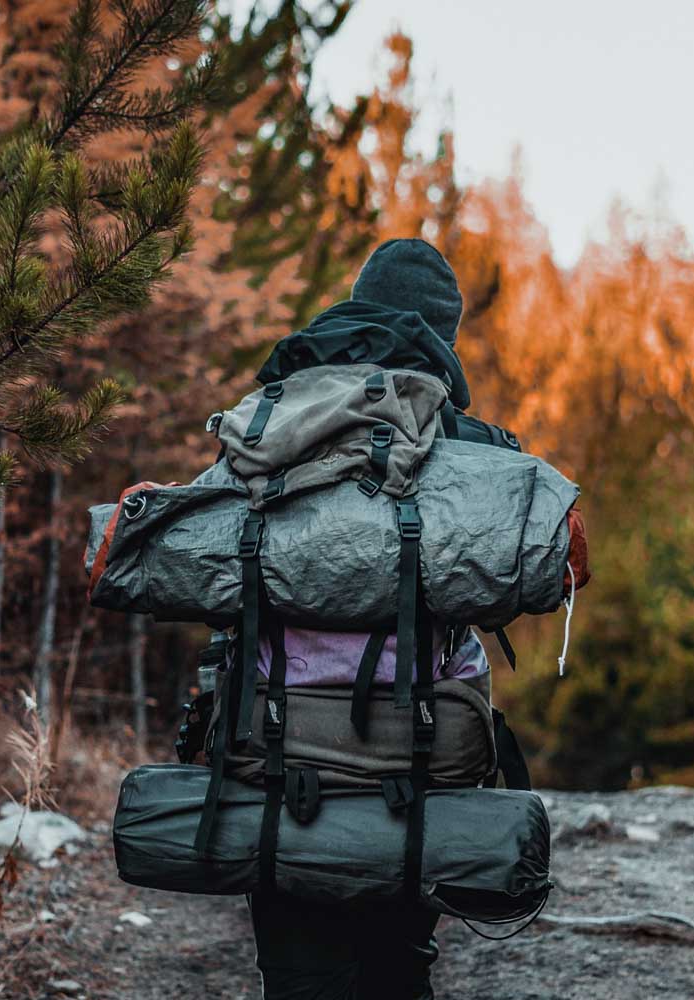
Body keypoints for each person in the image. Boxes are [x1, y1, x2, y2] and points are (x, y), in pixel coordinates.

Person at [246, 238, 482, 1000]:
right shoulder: (462, 447)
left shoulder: (273, 422)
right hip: (413, 756)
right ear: (443, 334)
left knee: (298, 977)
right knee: (396, 972)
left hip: (278, 746)